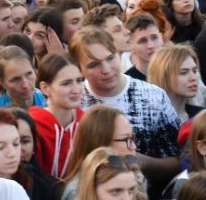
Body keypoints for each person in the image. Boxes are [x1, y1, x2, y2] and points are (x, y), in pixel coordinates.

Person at [70, 27, 180, 186]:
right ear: (79, 69)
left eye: (110, 58)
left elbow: (178, 161)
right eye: (94, 65)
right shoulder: (74, 102)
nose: (106, 70)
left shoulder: (153, 96)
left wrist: (143, 162)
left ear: (119, 54)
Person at [29, 54, 84, 180]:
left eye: (79, 80)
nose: (76, 90)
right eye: (66, 84)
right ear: (45, 88)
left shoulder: (87, 123)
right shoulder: (33, 124)